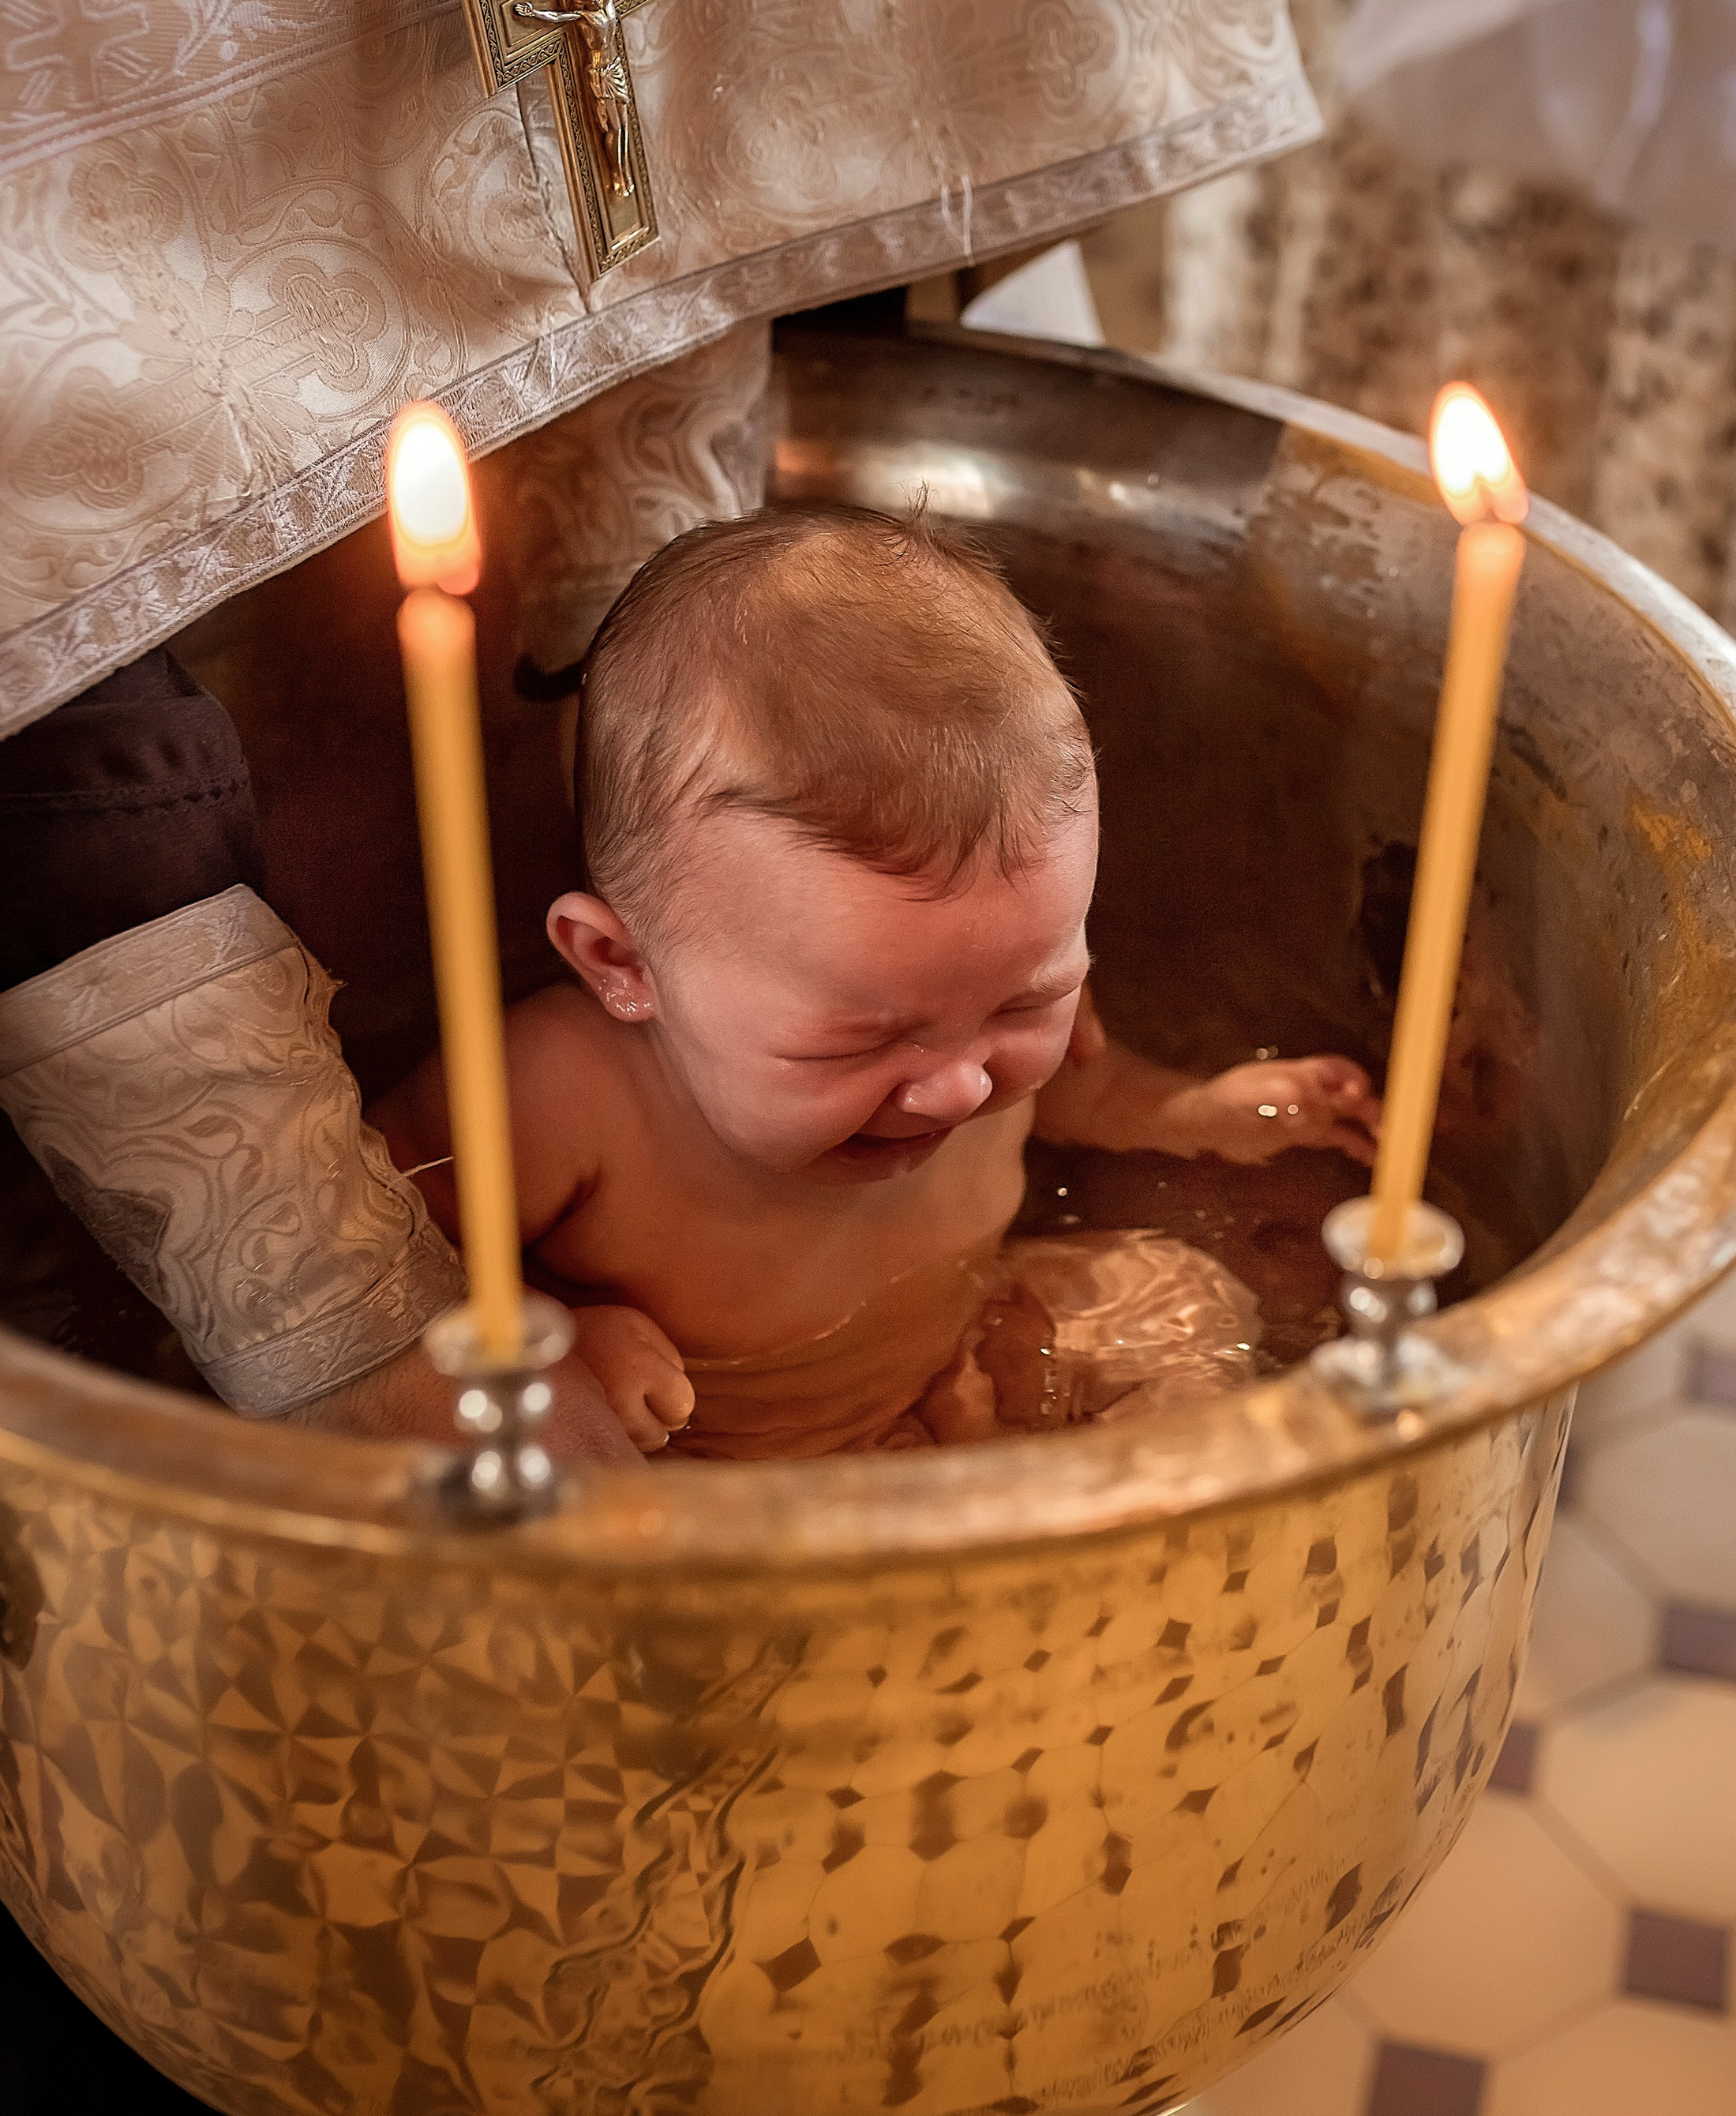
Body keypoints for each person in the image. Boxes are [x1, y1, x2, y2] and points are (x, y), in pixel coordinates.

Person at [373, 507, 1378, 1461]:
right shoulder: (557, 1094)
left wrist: (1188, 1113)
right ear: (623, 964)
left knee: (1176, 1294)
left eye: (1025, 1003)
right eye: (863, 1040)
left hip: (962, 1348)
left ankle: (1108, 1518)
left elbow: (1081, 1086)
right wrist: (552, 1340)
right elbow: (380, 1269)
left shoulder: (960, 993)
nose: (963, 1087)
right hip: (723, 1457)